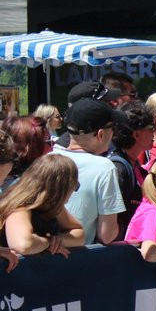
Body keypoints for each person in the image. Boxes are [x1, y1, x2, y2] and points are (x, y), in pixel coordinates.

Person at [49, 96, 126, 245]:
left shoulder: (47, 160)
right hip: (81, 260)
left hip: (40, 257)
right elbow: (107, 235)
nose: (114, 134)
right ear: (101, 134)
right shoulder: (104, 168)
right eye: (113, 129)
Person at [0, 154, 83, 261]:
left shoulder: (52, 205)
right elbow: (24, 245)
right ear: (62, 189)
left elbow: (79, 233)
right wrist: (49, 242)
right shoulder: (20, 209)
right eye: (74, 186)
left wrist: (58, 240)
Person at [109, 102, 155, 238]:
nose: (154, 132)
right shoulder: (118, 169)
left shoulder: (138, 169)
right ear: (136, 134)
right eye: (152, 128)